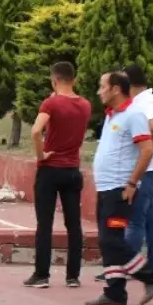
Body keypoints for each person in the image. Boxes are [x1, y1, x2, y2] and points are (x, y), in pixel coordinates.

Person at [88, 71, 153, 305]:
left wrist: (132, 183)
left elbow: (147, 150)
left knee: (113, 241)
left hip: (119, 190)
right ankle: (115, 292)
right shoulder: (113, 116)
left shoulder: (133, 115)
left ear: (115, 89)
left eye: (102, 86)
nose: (99, 91)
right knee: (107, 240)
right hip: (106, 188)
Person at [24, 62, 91, 289]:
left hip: (50, 168)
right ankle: (73, 275)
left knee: (45, 223)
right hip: (72, 169)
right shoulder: (85, 105)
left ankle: (41, 274)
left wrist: (41, 154)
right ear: (74, 78)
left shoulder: (51, 103)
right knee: (74, 225)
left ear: (54, 80)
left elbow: (35, 130)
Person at [123, 63, 153, 276]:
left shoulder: (145, 102)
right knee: (150, 218)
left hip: (147, 168)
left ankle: (126, 266)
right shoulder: (142, 101)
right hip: (150, 166)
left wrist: (141, 140)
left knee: (135, 219)